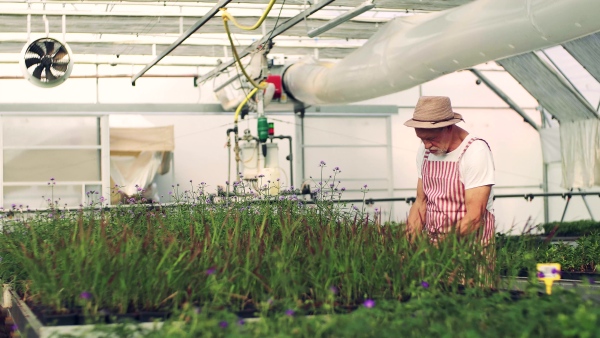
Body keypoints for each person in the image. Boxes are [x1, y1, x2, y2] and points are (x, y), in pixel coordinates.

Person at [404, 96, 495, 245]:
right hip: (433, 246)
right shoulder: (425, 151)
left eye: (431, 138)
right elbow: (421, 203)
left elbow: (474, 217)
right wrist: (408, 247)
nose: (426, 145)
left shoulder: (475, 151)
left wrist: (442, 249)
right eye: (422, 139)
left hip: (470, 248)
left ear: (449, 128)